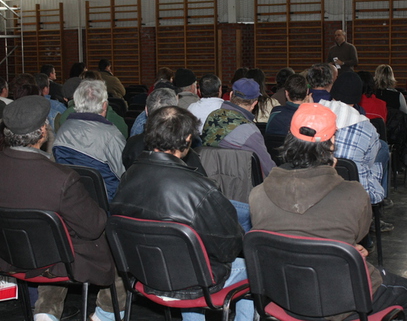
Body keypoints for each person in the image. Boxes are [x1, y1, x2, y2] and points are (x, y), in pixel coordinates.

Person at [249, 102, 407, 320]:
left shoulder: (257, 195)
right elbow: (358, 233)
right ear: (332, 143)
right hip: (347, 301)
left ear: (289, 138)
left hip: (285, 295)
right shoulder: (353, 194)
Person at [111, 106, 254, 321]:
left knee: (188, 262)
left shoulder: (127, 177)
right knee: (254, 267)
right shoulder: (200, 189)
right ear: (188, 139)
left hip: (144, 273)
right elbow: (229, 248)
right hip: (193, 282)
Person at [0, 96, 126, 321]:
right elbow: (93, 226)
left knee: (56, 238)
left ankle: (46, 313)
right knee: (113, 242)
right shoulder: (62, 179)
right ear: (42, 131)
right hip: (56, 260)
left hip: (10, 256)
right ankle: (105, 314)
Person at [320, 72, 388, 208]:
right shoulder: (367, 128)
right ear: (358, 97)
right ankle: (380, 204)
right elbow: (369, 162)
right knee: (383, 147)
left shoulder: (315, 114)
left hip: (318, 184)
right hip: (356, 191)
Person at [53, 79, 126, 201]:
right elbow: (124, 175)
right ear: (104, 105)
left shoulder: (63, 130)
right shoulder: (112, 135)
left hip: (71, 198)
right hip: (106, 203)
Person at [202, 78, 276, 177]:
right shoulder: (250, 132)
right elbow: (269, 169)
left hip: (210, 180)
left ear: (231, 94)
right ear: (254, 103)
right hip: (241, 186)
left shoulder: (212, 116)